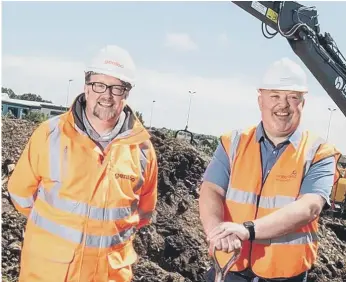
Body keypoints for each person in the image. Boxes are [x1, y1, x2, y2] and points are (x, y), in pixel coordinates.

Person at [8, 45, 158, 282]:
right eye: (99, 85)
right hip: (49, 274)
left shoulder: (142, 150)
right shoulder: (49, 135)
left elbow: (143, 213)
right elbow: (20, 195)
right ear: (86, 86)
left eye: (117, 88)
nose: (106, 95)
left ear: (127, 93)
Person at [199, 57, 341, 282]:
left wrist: (247, 230)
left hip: (285, 275)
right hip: (230, 268)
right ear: (260, 100)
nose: (283, 105)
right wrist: (217, 232)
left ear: (303, 103)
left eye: (292, 97)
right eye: (274, 96)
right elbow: (211, 190)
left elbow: (309, 207)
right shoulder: (233, 143)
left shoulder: (319, 153)